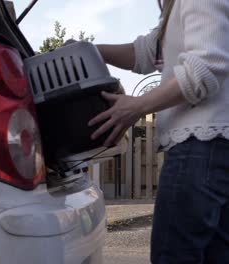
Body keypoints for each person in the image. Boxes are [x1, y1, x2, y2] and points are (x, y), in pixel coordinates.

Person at [88, 0, 229, 263]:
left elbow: (209, 65)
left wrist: (137, 106)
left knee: (173, 255)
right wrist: (91, 51)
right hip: (212, 146)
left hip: (199, 145)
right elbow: (149, 51)